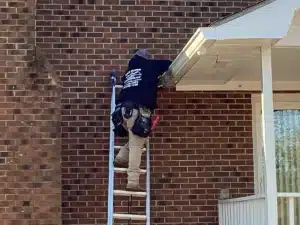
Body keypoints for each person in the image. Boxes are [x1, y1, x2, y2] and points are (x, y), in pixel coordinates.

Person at [111, 49, 173, 192]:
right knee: (137, 146)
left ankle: (121, 158)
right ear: (146, 59)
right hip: (138, 112)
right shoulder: (150, 66)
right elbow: (169, 64)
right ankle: (132, 181)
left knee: (138, 138)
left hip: (121, 113)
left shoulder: (129, 72)